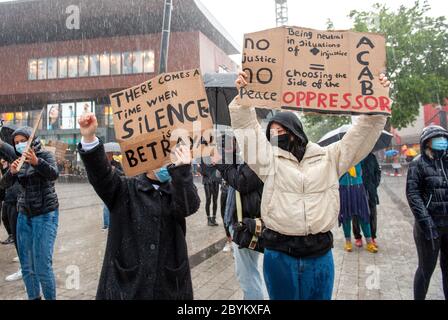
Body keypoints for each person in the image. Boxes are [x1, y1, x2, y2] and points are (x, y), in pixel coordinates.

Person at [231, 71, 390, 300]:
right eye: (272, 134)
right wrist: (243, 99)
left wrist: (378, 97)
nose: (277, 136)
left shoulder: (330, 157)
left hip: (319, 255)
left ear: (296, 133)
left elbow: (361, 135)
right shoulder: (268, 161)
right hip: (279, 255)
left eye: (282, 131)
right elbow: (248, 130)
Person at [78, 112, 200, 299]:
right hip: (127, 286)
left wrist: (183, 172)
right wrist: (89, 138)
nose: (166, 159)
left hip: (168, 286)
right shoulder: (124, 189)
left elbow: (188, 206)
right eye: (162, 153)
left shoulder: (176, 189)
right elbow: (101, 176)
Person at [0, 127, 59, 300]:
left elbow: (54, 174)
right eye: (16, 142)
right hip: (24, 214)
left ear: (31, 139)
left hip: (45, 214)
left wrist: (36, 162)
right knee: (27, 265)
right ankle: (34, 297)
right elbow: (4, 184)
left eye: (22, 141)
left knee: (42, 265)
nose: (19, 145)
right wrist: (11, 172)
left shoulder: (45, 155)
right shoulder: (19, 160)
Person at [213, 134, 267, 300]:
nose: (228, 148)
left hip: (247, 225)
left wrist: (222, 163)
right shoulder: (242, 158)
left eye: (230, 145)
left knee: (247, 275)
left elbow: (242, 183)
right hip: (240, 223)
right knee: (248, 272)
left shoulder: (257, 158)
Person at [406, 125, 448, 300]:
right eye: (437, 138)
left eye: (443, 137)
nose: (442, 141)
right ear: (427, 142)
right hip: (428, 228)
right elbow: (413, 195)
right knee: (426, 270)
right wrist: (427, 223)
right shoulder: (418, 164)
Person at [339, 163, 378, 253]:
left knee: (363, 215)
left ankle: (369, 243)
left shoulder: (360, 155)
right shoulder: (340, 157)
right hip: (344, 188)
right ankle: (348, 242)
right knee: (346, 216)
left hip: (358, 187)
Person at [353, 153, 381, 247]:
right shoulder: (354, 157)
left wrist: (374, 184)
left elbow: (377, 171)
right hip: (356, 190)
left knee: (372, 214)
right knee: (356, 214)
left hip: (370, 190)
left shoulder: (372, 157)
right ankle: (358, 237)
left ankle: (372, 237)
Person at [1, 158, 22, 281]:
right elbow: (4, 183)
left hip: (19, 202)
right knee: (15, 233)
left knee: (22, 238)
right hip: (9, 199)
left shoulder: (24, 157)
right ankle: (26, 269)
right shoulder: (10, 165)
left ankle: (28, 272)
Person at [102, 151, 123, 230]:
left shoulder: (117, 163)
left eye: (110, 154)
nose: (109, 155)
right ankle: (107, 225)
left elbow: (122, 173)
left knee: (115, 206)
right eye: (107, 154)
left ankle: (115, 223)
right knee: (106, 207)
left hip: (116, 186)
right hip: (106, 188)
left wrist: (115, 170)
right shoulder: (102, 164)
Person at [199, 159, 221, 226]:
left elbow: (220, 167)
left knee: (215, 200)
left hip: (215, 180)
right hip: (207, 180)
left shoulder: (215, 156)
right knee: (208, 199)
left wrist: (217, 163)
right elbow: (201, 170)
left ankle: (214, 218)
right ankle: (208, 219)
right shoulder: (202, 158)